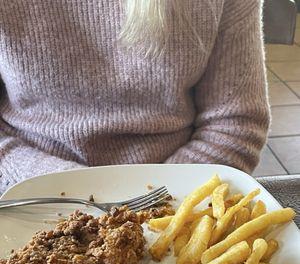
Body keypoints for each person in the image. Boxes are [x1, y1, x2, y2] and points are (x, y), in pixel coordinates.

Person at [0, 0, 270, 194]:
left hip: (177, 200)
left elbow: (235, 124)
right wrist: (67, 191)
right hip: (29, 194)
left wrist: (158, 199)